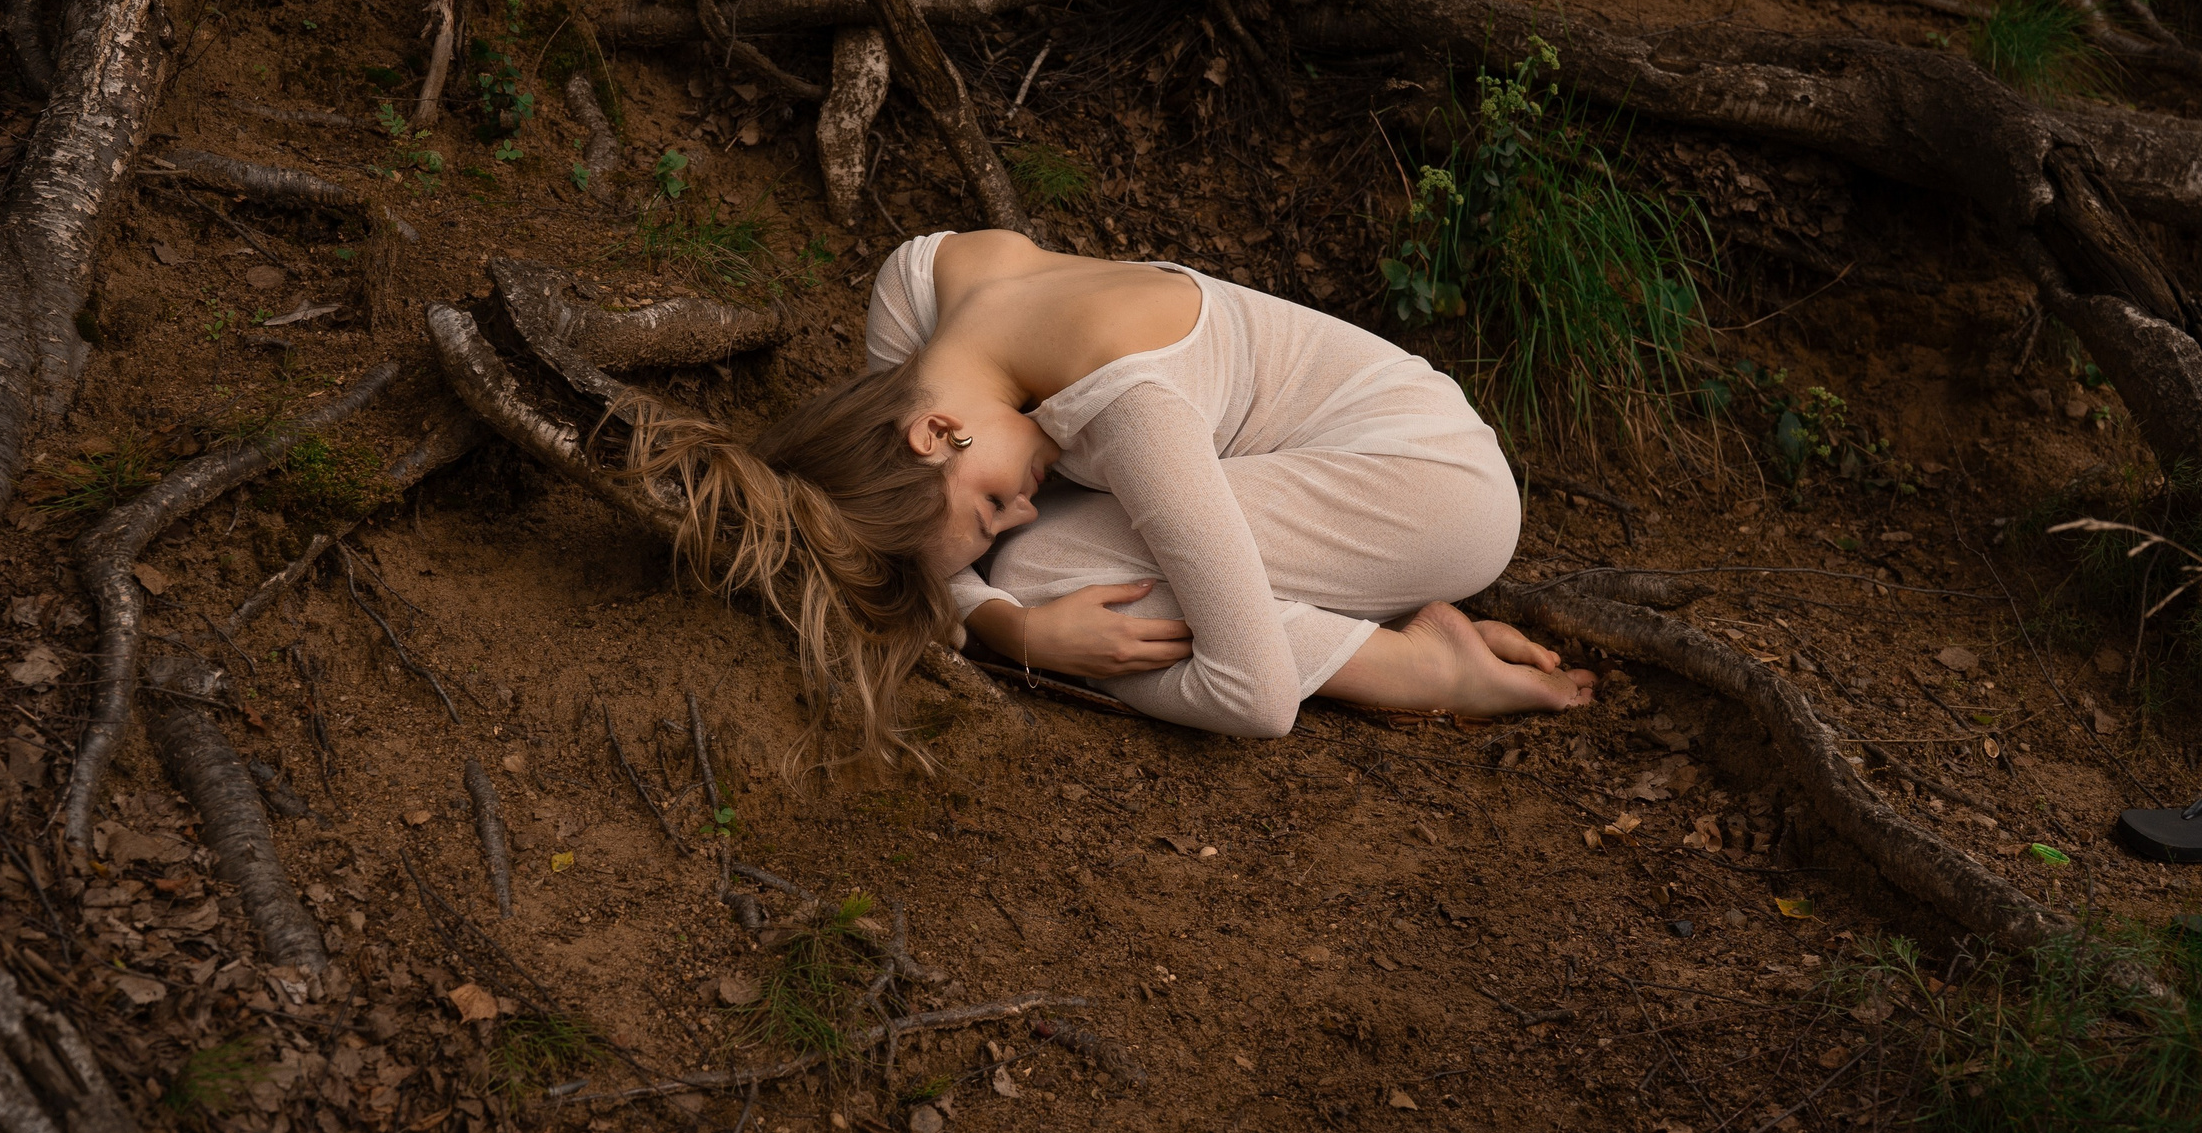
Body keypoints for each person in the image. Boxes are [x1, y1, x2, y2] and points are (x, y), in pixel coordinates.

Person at [627, 229, 1592, 762]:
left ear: (932, 435)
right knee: (1048, 568)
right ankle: (1353, 608)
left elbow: (1254, 701)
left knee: (1053, 564)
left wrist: (1027, 626)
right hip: (1335, 462)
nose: (1017, 513)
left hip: (1430, 484)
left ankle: (1425, 671)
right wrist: (1010, 625)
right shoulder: (918, 285)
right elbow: (935, 552)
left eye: (987, 507)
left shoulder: (1128, 404)